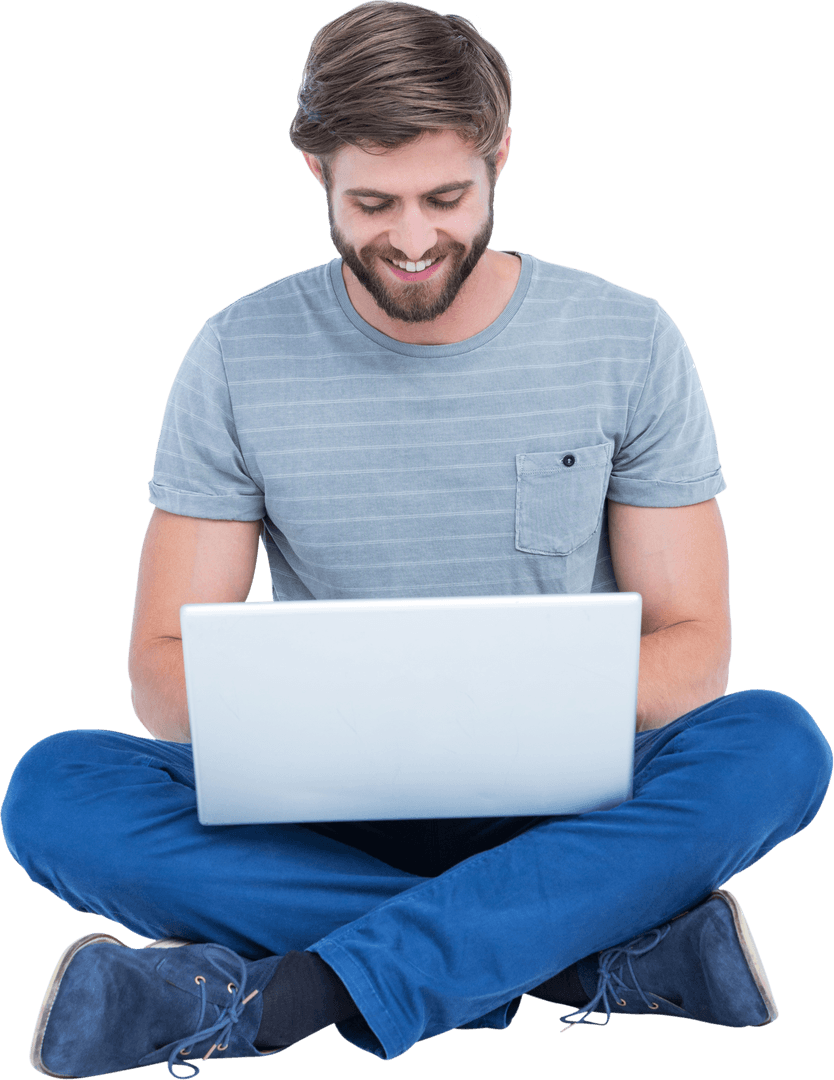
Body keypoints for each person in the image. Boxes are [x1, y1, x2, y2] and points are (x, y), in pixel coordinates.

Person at [2, 3, 831, 1077]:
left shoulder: (628, 339)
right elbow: (161, 674)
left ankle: (287, 995)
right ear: (315, 171)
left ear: (498, 156)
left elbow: (695, 651)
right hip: (325, 813)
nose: (410, 239)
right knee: (57, 789)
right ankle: (576, 957)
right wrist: (347, 718)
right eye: (372, 202)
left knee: (775, 745)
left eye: (446, 197)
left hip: (567, 810)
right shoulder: (234, 354)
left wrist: (490, 704)